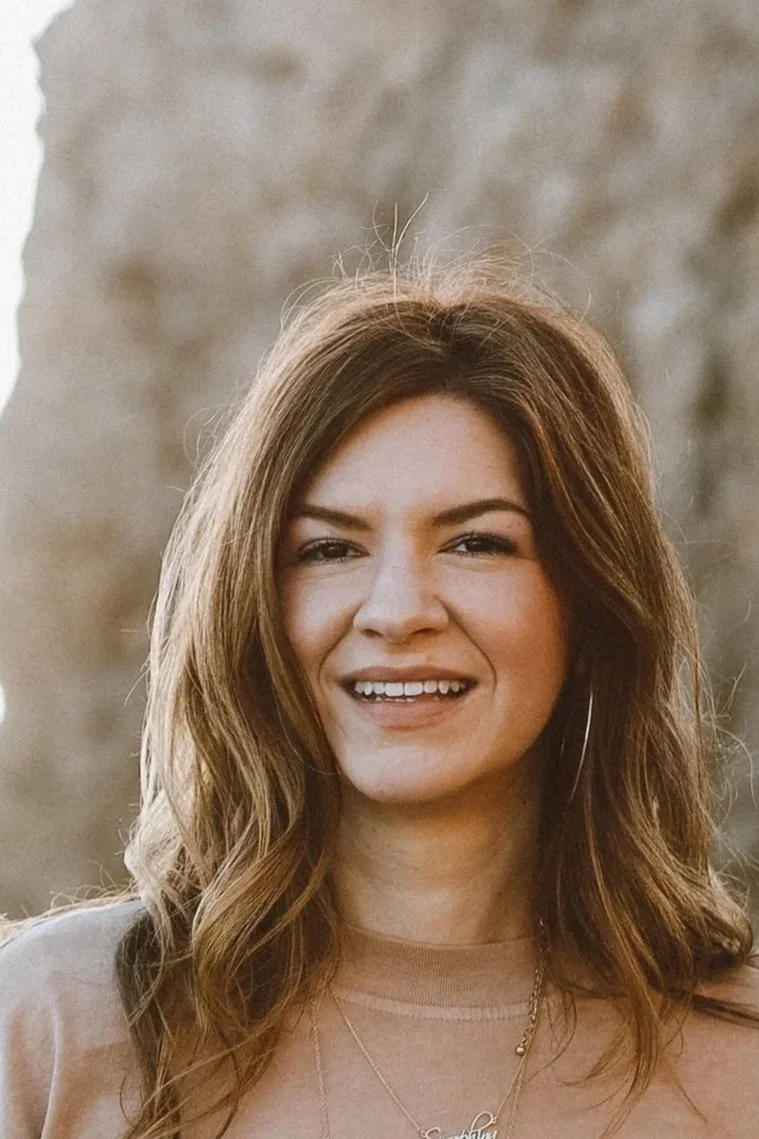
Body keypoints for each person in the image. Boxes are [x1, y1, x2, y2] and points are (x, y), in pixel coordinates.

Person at [1, 252, 758, 1139]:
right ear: (255, 603)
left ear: (586, 599)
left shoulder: (737, 1062)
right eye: (329, 549)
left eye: (476, 543)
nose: (397, 611)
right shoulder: (58, 1027)